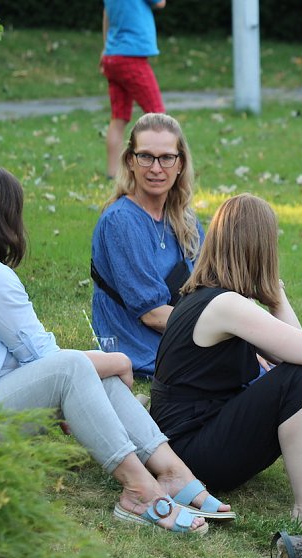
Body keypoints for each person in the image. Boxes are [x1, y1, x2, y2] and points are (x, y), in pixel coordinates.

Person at [0, 165, 235, 535]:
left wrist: (101, 369)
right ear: (5, 217)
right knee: (76, 368)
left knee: (86, 371)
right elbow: (49, 361)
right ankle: (141, 490)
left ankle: (173, 472)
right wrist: (119, 361)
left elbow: (12, 359)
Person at [150, 193, 302, 526]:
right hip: (189, 454)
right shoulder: (225, 306)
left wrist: (275, 296)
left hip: (205, 436)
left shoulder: (213, 298)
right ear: (261, 249)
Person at [91, 113, 204, 378]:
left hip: (184, 331)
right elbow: (152, 315)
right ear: (130, 161)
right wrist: (223, 329)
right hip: (142, 345)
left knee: (288, 367)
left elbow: (211, 282)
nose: (156, 168)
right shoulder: (121, 221)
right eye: (145, 156)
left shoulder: (183, 217)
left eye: (166, 158)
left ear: (180, 164)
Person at [101, 0, 167, 179]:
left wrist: (105, 49)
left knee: (119, 118)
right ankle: (165, 166)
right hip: (132, 57)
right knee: (159, 115)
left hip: (112, 55)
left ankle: (112, 174)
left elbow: (107, 15)